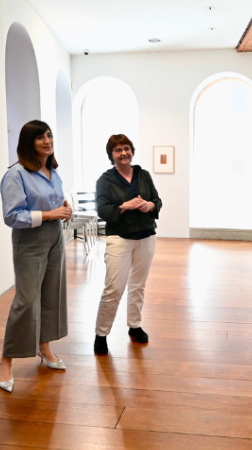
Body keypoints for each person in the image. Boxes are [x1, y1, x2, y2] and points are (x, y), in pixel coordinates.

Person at [0, 121, 72, 392]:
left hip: (55, 238)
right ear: (29, 142)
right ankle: (5, 360)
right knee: (26, 300)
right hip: (30, 241)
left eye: (49, 135)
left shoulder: (52, 171)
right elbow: (12, 216)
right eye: (40, 137)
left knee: (51, 293)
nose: (47, 141)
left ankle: (44, 347)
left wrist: (64, 208)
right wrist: (51, 214)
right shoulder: (15, 174)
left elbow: (54, 202)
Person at [93, 134, 162, 354]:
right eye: (118, 150)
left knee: (138, 286)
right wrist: (125, 206)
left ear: (132, 151)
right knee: (114, 288)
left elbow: (157, 200)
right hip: (119, 239)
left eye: (126, 148)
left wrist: (149, 205)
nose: (124, 153)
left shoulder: (143, 175)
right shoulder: (105, 180)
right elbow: (102, 211)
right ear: (111, 155)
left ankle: (135, 326)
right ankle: (101, 334)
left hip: (146, 236)